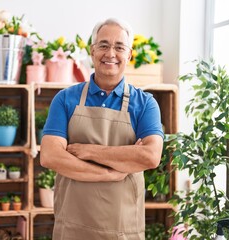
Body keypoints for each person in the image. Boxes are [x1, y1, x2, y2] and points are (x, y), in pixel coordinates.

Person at [40, 18, 164, 240]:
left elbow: (150, 156)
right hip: (72, 227)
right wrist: (110, 173)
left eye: (119, 47)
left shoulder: (145, 103)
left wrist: (89, 151)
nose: (111, 53)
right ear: (92, 50)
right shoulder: (65, 99)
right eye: (104, 45)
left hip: (123, 229)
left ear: (129, 54)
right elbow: (50, 156)